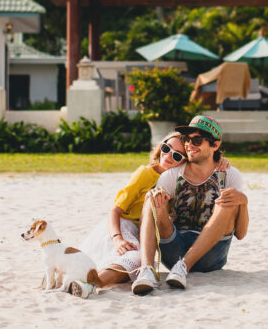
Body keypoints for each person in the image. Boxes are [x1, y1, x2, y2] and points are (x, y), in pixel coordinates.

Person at [132, 115, 249, 295]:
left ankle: (184, 267)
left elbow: (240, 234)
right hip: (174, 250)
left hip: (212, 254)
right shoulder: (172, 176)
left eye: (197, 140)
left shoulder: (230, 175)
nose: (189, 145)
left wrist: (243, 202)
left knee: (227, 201)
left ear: (215, 145)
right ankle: (146, 270)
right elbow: (159, 217)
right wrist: (159, 201)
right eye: (187, 139)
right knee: (152, 197)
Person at [78, 132, 188, 294]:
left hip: (140, 236)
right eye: (166, 148)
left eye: (177, 156)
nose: (168, 156)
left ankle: (87, 282)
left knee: (131, 270)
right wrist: (117, 239)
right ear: (160, 148)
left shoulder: (177, 184)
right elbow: (115, 210)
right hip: (121, 228)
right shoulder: (145, 174)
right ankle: (88, 284)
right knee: (137, 260)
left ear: (184, 163)